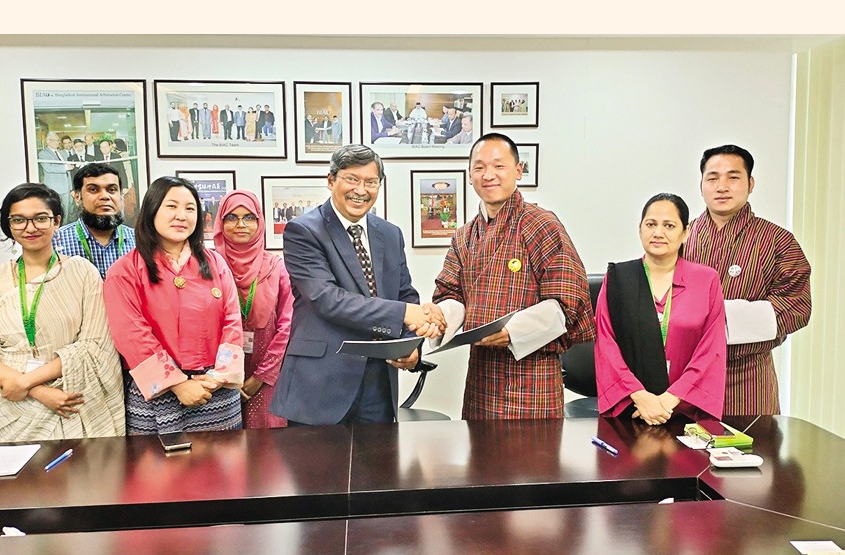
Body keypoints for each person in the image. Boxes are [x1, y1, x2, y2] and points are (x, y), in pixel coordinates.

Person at [269, 144, 444, 426]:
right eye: (352, 179)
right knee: (313, 458)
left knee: (379, 457)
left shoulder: (390, 234)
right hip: (319, 386)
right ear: (331, 180)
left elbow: (405, 295)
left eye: (371, 182)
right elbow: (327, 299)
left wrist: (411, 346)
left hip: (378, 385)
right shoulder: (303, 231)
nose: (361, 190)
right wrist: (404, 314)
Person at [431, 133, 595, 419]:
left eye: (499, 166)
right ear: (470, 175)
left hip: (533, 378)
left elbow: (567, 301)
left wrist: (512, 332)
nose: (488, 175)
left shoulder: (541, 224)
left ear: (518, 170)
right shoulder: (464, 236)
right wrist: (440, 317)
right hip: (482, 377)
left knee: (534, 449)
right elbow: (451, 293)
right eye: (479, 167)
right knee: (478, 447)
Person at [0, 183, 124, 443]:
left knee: (83, 469)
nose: (30, 228)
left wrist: (27, 383)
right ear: (9, 225)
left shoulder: (83, 272)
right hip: (10, 400)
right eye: (19, 220)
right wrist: (36, 390)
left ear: (56, 221)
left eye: (40, 218)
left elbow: (94, 346)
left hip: (72, 398)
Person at [103, 176, 246, 434]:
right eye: (171, 206)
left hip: (216, 391)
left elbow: (232, 322)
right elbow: (131, 335)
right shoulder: (124, 271)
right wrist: (177, 384)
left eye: (190, 208)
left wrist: (217, 377)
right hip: (158, 395)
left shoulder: (216, 264)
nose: (181, 216)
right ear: (151, 210)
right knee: (159, 461)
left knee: (225, 460)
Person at [683, 144, 811, 415]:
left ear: (750, 184)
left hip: (749, 377)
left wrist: (714, 319)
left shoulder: (778, 240)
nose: (722, 187)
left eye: (733, 177)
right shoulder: (681, 237)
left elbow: (797, 306)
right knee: (682, 442)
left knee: (754, 442)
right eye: (712, 178)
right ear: (701, 185)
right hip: (685, 375)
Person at [595, 193, 726, 425]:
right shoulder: (618, 279)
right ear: (640, 229)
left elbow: (711, 350)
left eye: (669, 225)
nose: (658, 232)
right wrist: (640, 396)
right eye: (650, 224)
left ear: (685, 232)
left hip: (685, 411)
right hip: (631, 408)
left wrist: (668, 400)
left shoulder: (706, 280)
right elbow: (606, 344)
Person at [213, 190, 294, 428]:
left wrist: (261, 376)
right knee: (223, 445)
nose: (241, 224)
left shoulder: (277, 267)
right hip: (217, 377)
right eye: (232, 217)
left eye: (249, 217)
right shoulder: (208, 266)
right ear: (220, 222)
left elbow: (288, 325)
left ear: (260, 223)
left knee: (267, 443)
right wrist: (224, 377)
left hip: (267, 375)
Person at [53, 163, 135, 280]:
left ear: (121, 196)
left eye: (112, 190)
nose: (105, 196)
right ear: (77, 197)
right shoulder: (56, 242)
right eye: (93, 189)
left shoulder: (140, 241)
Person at [37, 132, 75, 222]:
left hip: (67, 187)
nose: (56, 142)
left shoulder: (61, 153)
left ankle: (66, 229)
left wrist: (71, 188)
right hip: (55, 188)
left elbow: (68, 172)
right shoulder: (43, 153)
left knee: (68, 212)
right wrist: (65, 167)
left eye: (57, 140)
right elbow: (48, 168)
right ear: (47, 141)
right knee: (57, 213)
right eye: (53, 140)